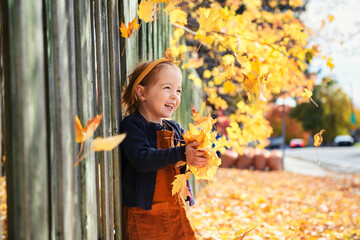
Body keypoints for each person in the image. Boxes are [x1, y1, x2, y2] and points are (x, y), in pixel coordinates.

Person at [120, 48, 208, 240]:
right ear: (141, 93)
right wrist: (181, 153)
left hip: (175, 208)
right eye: (167, 88)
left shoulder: (175, 128)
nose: (174, 96)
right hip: (146, 214)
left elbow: (182, 161)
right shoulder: (134, 124)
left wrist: (198, 156)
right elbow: (141, 159)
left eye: (178, 90)